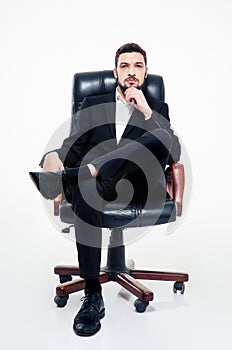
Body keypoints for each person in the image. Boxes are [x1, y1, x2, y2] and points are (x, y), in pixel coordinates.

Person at [29, 43, 181, 336]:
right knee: (88, 188)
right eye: (125, 66)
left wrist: (147, 112)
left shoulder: (157, 109)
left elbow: (171, 152)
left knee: (162, 134)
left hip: (139, 186)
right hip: (95, 189)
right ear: (115, 72)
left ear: (146, 72)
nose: (131, 73)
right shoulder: (93, 105)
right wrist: (51, 159)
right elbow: (70, 147)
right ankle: (92, 294)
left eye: (138, 66)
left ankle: (88, 172)